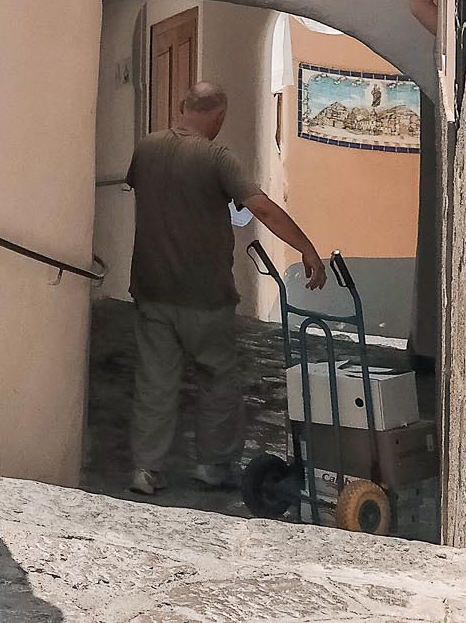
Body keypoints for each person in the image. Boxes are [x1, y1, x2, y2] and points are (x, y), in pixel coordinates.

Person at [123, 79, 326, 496]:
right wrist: (306, 249)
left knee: (154, 381)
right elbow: (262, 207)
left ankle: (146, 468)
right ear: (218, 116)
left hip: (152, 287)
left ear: (181, 105)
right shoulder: (217, 157)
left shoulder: (145, 149)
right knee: (217, 378)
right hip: (204, 293)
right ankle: (212, 465)